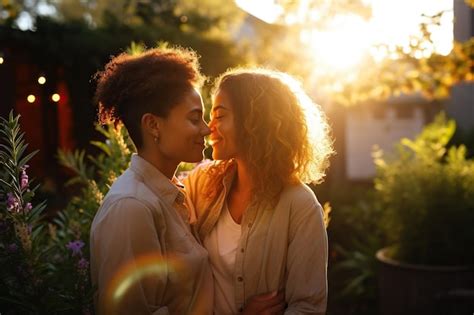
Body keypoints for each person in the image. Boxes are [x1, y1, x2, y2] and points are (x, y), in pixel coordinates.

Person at [184, 68, 333, 314]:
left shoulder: (300, 206)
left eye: (219, 116)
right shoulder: (202, 182)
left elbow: (308, 307)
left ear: (254, 122)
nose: (208, 127)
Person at [90, 47, 213, 315]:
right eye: (195, 118)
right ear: (153, 125)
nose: (206, 128)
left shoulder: (170, 194)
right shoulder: (131, 207)